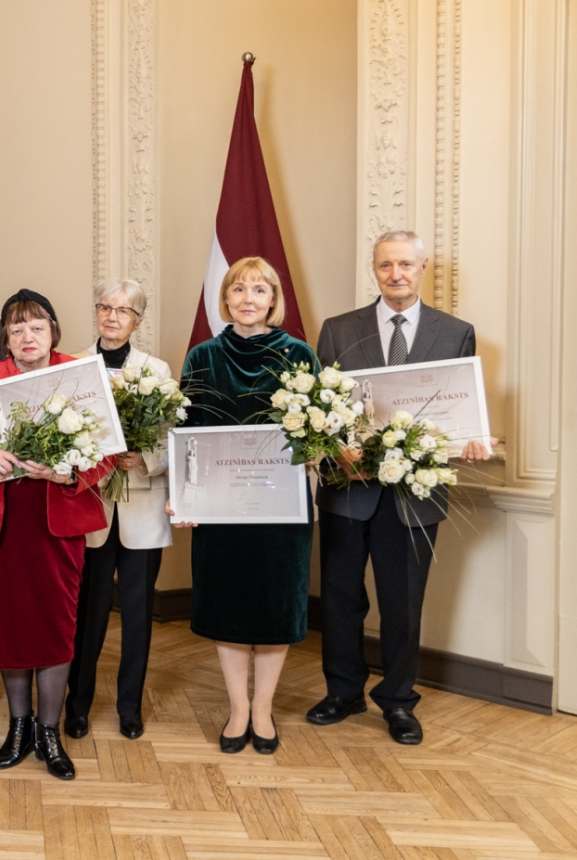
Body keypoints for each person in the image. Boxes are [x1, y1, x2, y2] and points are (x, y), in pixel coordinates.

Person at [306, 231, 493, 745]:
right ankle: (343, 692)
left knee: (403, 605)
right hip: (349, 489)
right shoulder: (338, 330)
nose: (397, 274)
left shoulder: (456, 332)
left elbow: (459, 409)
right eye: (387, 265)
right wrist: (333, 444)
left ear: (423, 267)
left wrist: (470, 441)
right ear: (374, 268)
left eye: (406, 264)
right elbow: (321, 410)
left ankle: (398, 701)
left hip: (414, 498)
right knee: (341, 600)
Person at [0, 289, 115, 781]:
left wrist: (68, 475)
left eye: (36, 326)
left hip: (56, 526)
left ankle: (49, 731)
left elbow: (107, 450)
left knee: (55, 628)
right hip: (1, 527)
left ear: (53, 331)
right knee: (10, 628)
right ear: (5, 338)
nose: (26, 336)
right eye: (16, 329)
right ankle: (18, 727)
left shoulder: (79, 375)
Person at [177, 257, 316, 756]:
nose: (249, 298)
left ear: (273, 300)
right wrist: (187, 494)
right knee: (231, 606)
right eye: (239, 289)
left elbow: (316, 433)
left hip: (281, 506)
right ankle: (238, 708)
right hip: (222, 504)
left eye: (260, 289)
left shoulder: (300, 354)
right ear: (226, 299)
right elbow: (186, 434)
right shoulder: (202, 356)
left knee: (274, 607)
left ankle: (264, 707)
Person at [64, 278, 173, 741]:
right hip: (91, 508)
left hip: (142, 509)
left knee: (137, 613)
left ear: (137, 321)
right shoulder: (72, 366)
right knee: (86, 617)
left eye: (123, 311)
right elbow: (60, 439)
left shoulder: (158, 370)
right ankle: (78, 704)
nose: (112, 316)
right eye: (105, 307)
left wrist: (143, 459)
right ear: (96, 312)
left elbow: (172, 438)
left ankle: (130, 707)